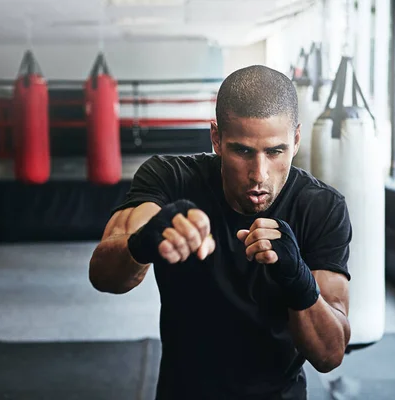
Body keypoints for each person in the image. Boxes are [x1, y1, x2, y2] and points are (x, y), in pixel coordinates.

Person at [89, 65, 352, 400]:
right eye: (242, 150)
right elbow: (103, 276)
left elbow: (330, 354)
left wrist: (298, 280)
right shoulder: (170, 179)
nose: (259, 174)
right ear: (216, 138)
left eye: (275, 151)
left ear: (296, 139)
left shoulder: (320, 208)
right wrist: (142, 243)